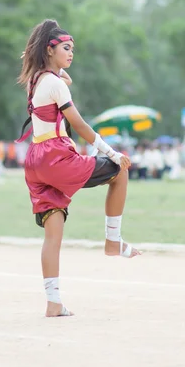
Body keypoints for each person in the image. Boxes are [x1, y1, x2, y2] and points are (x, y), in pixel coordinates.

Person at [17, 19, 140, 318]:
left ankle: (54, 302)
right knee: (119, 171)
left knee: (53, 234)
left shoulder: (36, 80)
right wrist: (112, 152)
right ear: (50, 49)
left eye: (73, 49)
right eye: (66, 48)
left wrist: (60, 73)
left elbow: (57, 88)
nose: (72, 53)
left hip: (35, 160)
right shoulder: (55, 83)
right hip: (55, 156)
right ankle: (113, 240)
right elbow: (80, 125)